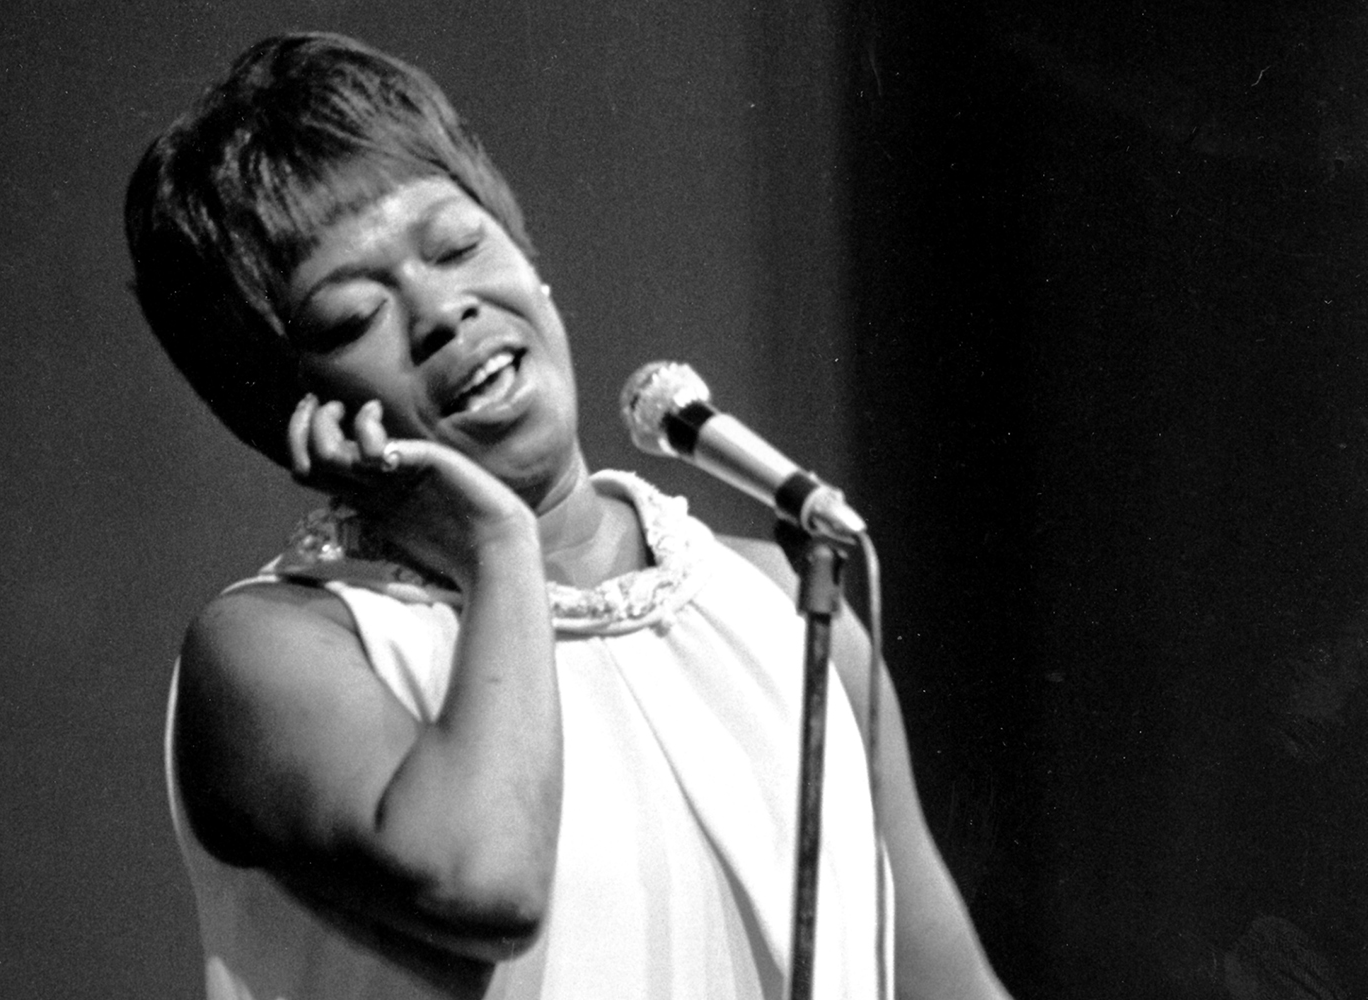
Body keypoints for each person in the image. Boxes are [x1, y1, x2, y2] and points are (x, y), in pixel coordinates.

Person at [125, 31, 1013, 1000]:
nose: (444, 311)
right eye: (351, 316)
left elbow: (946, 985)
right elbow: (487, 884)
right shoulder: (278, 651)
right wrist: (500, 544)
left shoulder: (781, 605)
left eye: (458, 244)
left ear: (526, 250)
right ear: (289, 408)